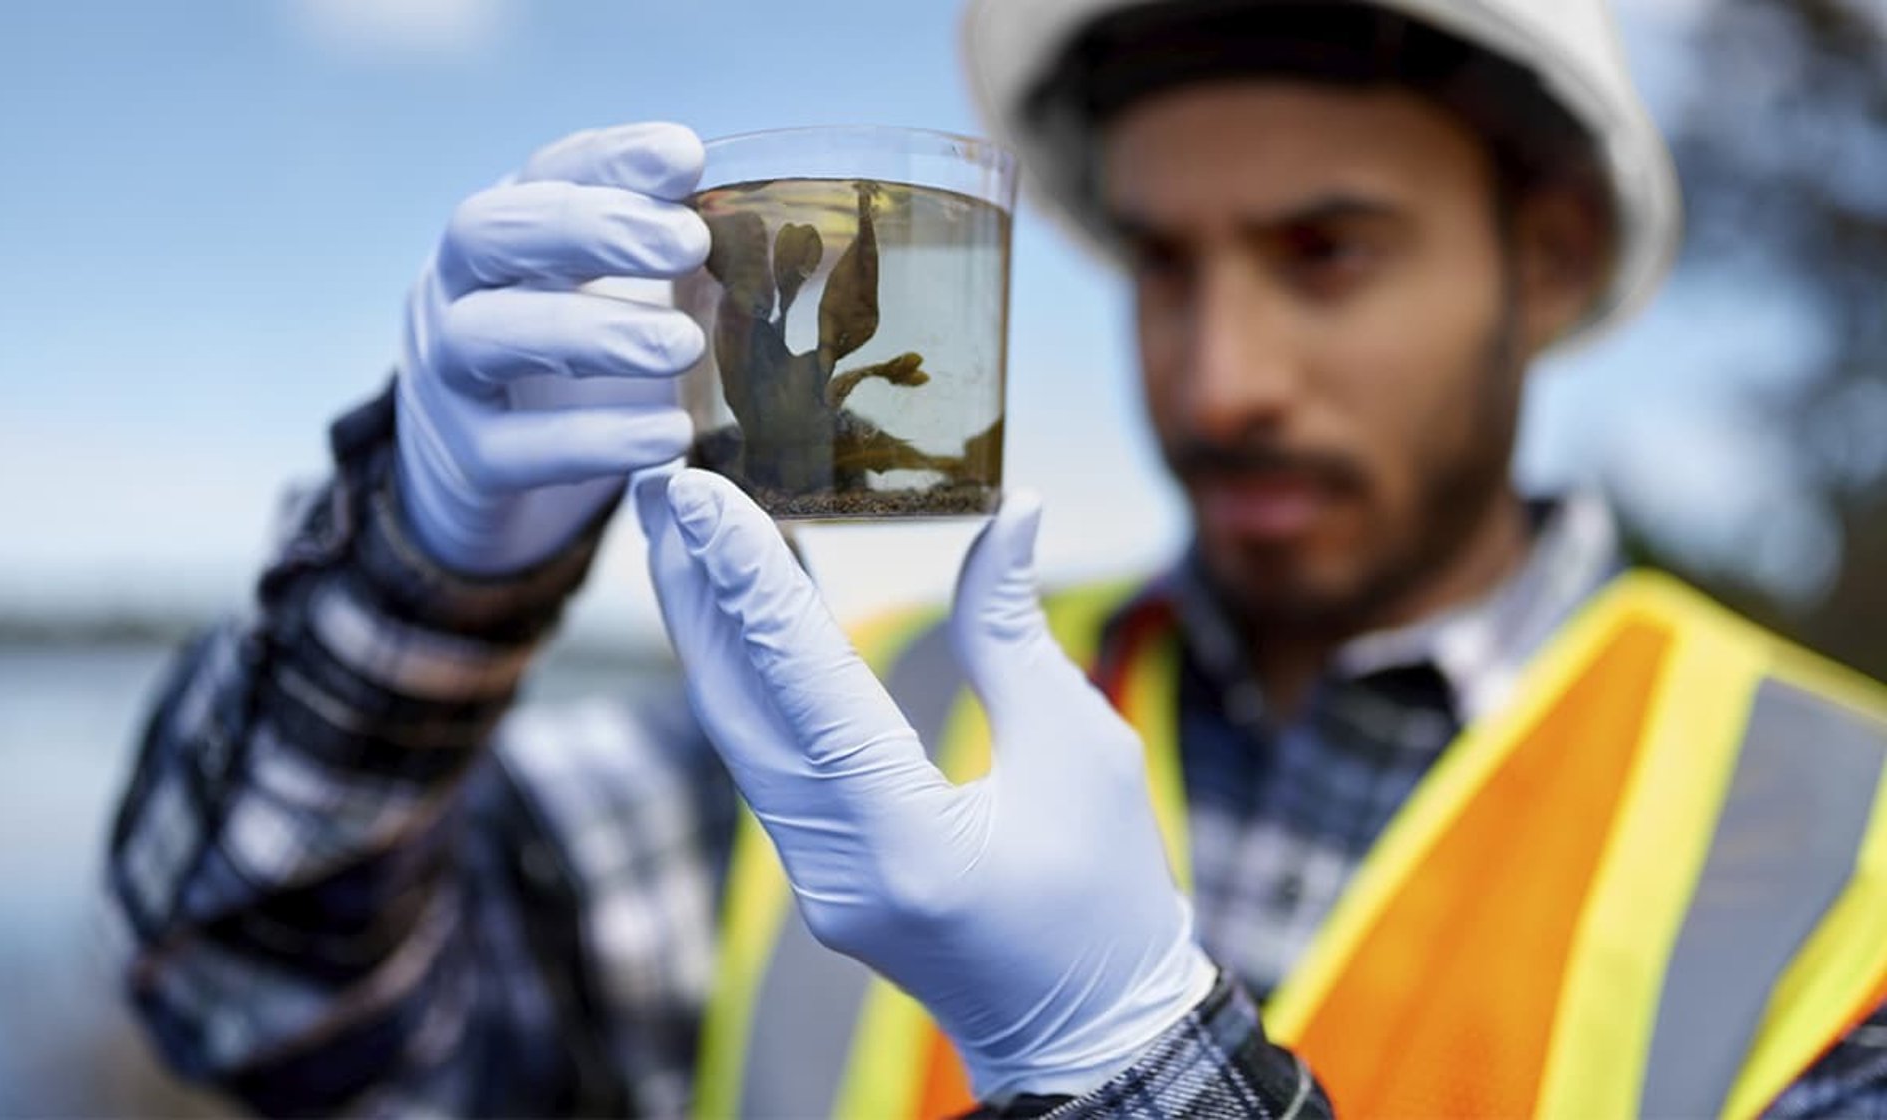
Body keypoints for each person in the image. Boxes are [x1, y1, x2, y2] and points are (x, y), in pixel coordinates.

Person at [106, 0, 1887, 1115]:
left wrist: (1119, 1059)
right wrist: (420, 576)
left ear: (1553, 257)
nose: (1217, 378)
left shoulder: (1846, 866)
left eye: (1327, 252)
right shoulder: (861, 727)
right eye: (1166, 267)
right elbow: (255, 999)